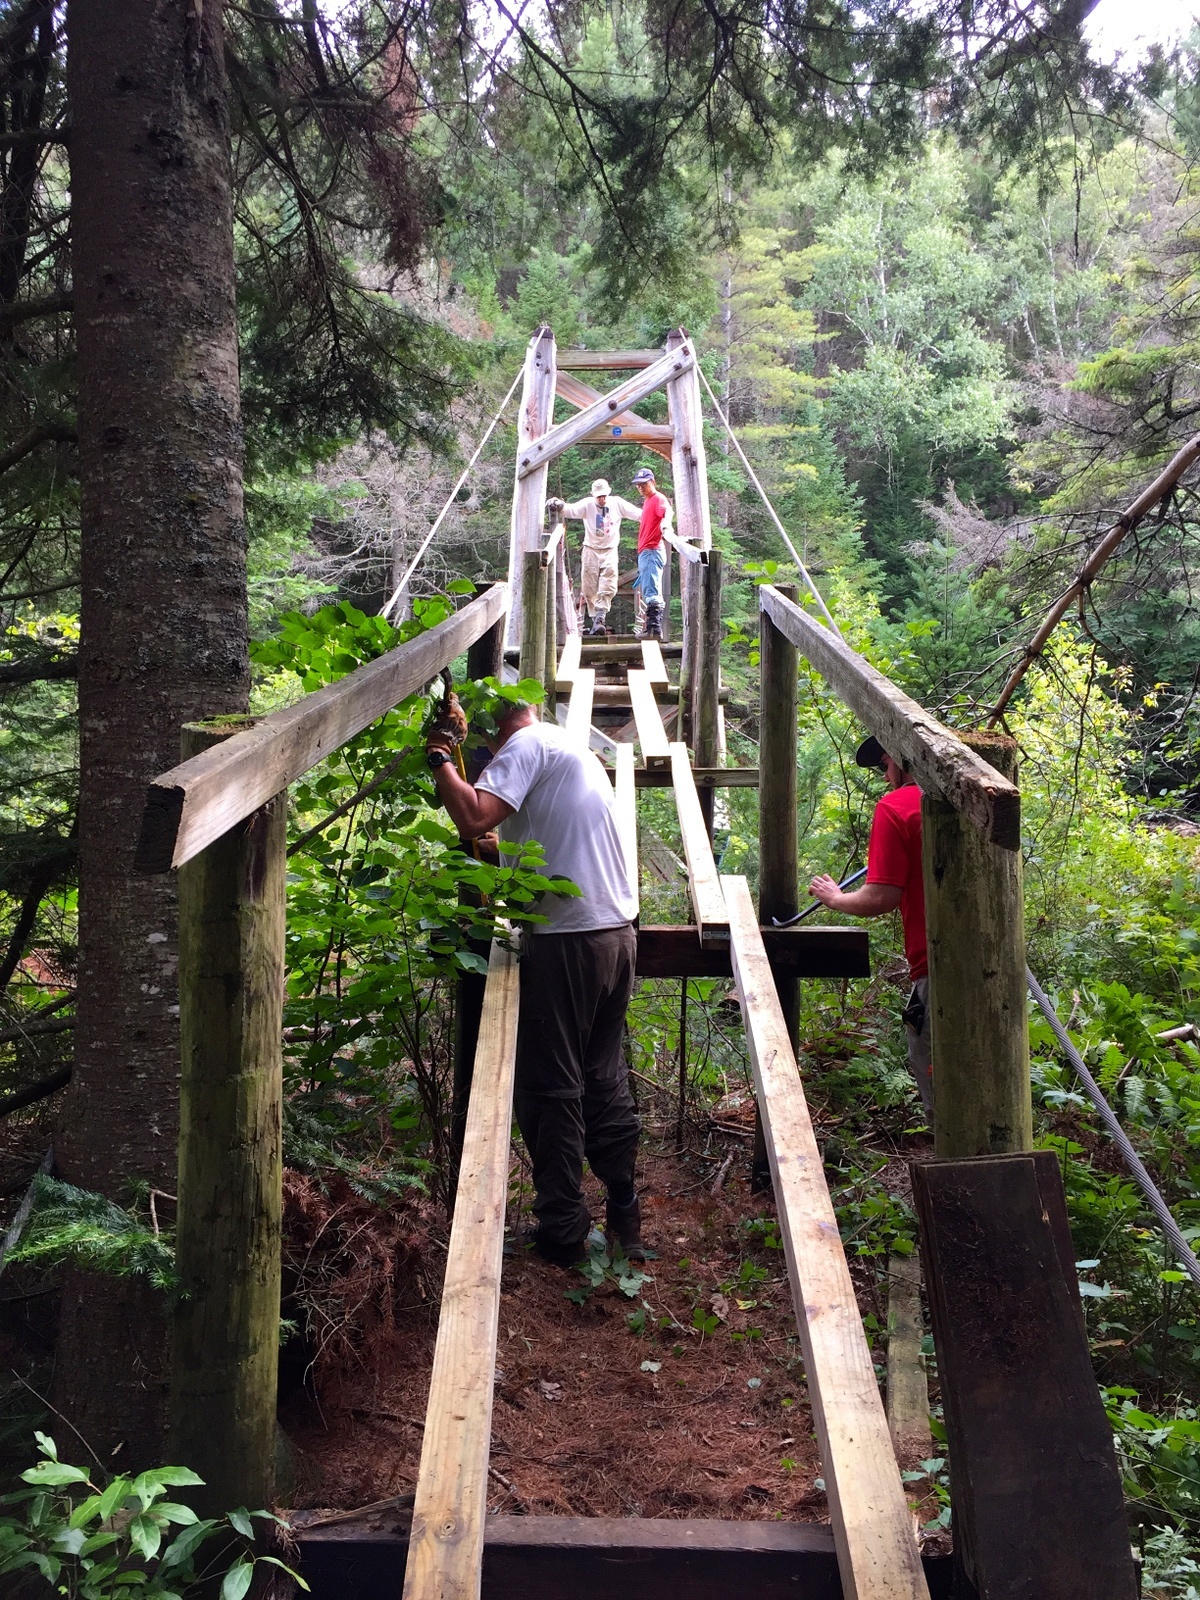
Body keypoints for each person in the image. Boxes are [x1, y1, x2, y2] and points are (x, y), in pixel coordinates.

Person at [424, 686, 644, 1267]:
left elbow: (473, 815)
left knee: (552, 1088)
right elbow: (548, 836)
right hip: (616, 934)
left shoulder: (524, 746)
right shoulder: (566, 747)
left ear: (488, 730)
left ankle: (563, 1234)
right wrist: (499, 848)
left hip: (568, 942)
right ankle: (625, 1212)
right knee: (602, 1076)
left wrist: (440, 755)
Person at [808, 736, 932, 1116]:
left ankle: (953, 1151)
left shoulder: (896, 807)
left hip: (936, 970)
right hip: (995, 966)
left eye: (885, 765)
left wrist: (835, 899)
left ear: (902, 758)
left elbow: (881, 897)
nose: (885, 776)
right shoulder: (963, 798)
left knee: (937, 1075)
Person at [560, 478, 641, 636]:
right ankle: (595, 619)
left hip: (610, 549)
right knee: (589, 585)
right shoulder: (587, 504)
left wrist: (657, 517)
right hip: (591, 549)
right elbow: (570, 510)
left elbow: (638, 514)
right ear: (593, 495)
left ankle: (600, 617)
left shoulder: (617, 503)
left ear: (608, 493)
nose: (602, 499)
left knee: (609, 583)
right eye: (599, 496)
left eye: (604, 495)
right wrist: (559, 505)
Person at [631, 466, 673, 639]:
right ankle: (651, 628)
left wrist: (666, 525)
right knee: (649, 587)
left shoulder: (657, 499)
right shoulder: (648, 501)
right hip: (647, 551)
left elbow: (667, 511)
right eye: (638, 485)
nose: (641, 487)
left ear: (653, 482)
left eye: (644, 484)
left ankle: (653, 630)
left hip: (652, 550)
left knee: (652, 590)